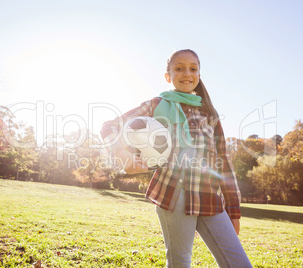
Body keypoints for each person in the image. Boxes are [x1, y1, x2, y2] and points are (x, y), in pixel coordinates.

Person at [101, 49, 252, 268]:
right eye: (179, 68)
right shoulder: (155, 105)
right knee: (180, 262)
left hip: (209, 197)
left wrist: (233, 210)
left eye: (193, 68)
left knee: (239, 264)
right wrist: (123, 154)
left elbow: (223, 162)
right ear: (168, 75)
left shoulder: (210, 114)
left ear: (199, 75)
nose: (186, 73)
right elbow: (110, 127)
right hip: (174, 195)